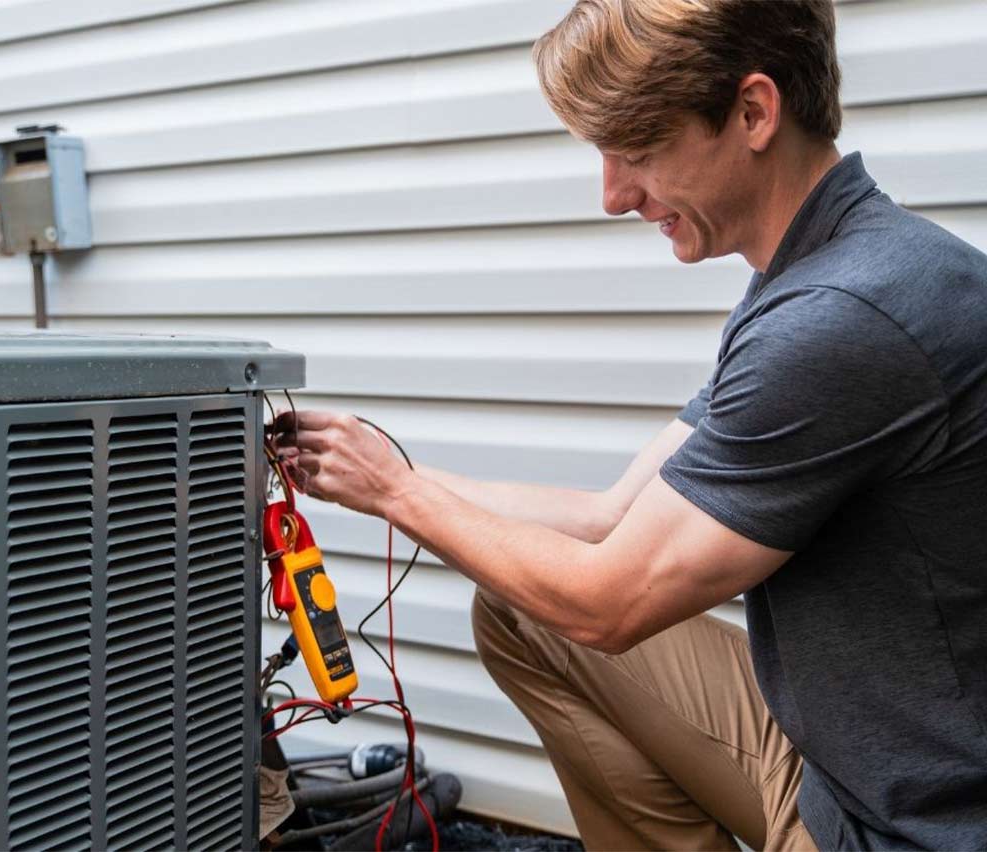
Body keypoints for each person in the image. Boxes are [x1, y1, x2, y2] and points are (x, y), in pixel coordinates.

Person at [269, 0, 987, 849]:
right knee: (520, 610)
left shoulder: (841, 318)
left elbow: (610, 603)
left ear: (754, 112)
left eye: (638, 151)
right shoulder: (836, 269)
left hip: (905, 822)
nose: (614, 196)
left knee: (566, 610)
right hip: (839, 748)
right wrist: (383, 474)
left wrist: (396, 496)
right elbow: (613, 519)